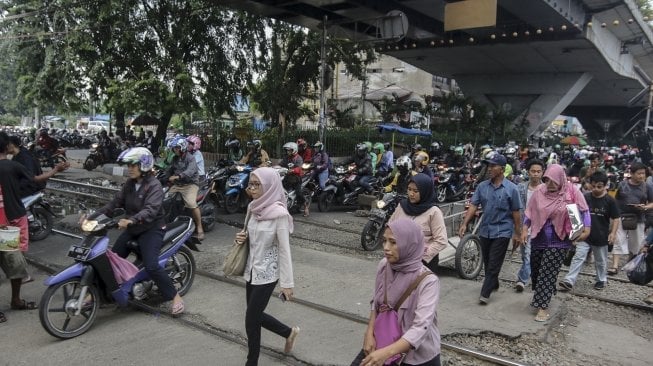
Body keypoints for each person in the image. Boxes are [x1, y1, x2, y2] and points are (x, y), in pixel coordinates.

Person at [86, 147, 184, 315]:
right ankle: (96, 294)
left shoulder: (154, 186)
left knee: (151, 265)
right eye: (128, 165)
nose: (129, 169)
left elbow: (150, 210)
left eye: (133, 165)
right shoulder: (130, 185)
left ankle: (175, 297)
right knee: (108, 261)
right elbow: (114, 203)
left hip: (152, 229)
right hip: (134, 228)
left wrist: (130, 220)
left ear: (144, 165)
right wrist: (92, 217)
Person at [233, 167, 298, 366]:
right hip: (251, 270)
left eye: (256, 184)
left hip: (268, 273)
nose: (251, 188)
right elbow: (249, 236)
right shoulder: (253, 207)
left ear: (269, 186)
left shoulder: (279, 214)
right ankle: (289, 332)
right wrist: (240, 237)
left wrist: (287, 283)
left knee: (251, 319)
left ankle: (251, 362)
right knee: (255, 315)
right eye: (250, 184)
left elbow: (285, 250)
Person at [353, 218, 440, 366]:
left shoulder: (428, 281)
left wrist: (386, 353)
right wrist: (369, 333)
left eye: (393, 242)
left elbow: (421, 327)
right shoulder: (383, 266)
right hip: (383, 342)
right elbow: (377, 303)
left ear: (409, 244)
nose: (386, 248)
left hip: (416, 357)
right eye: (384, 241)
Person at [521, 164, 590, 322]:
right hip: (539, 237)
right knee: (537, 270)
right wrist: (525, 229)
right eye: (547, 180)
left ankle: (542, 307)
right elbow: (530, 212)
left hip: (559, 239)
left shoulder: (571, 191)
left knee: (547, 271)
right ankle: (546, 290)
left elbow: (584, 210)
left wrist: (587, 228)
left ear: (560, 178)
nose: (550, 184)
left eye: (553, 180)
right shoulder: (539, 191)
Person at [458, 154, 522, 305]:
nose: (490, 169)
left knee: (494, 262)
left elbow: (516, 213)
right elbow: (474, 205)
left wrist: (517, 233)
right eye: (489, 166)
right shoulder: (482, 187)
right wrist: (465, 223)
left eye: (493, 166)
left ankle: (484, 293)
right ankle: (494, 283)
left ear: (502, 169)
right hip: (486, 229)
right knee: (487, 260)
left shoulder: (512, 189)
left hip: (503, 231)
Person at [0, 132, 48, 321]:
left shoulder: (12, 165)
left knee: (14, 262)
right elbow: (35, 179)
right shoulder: (13, 165)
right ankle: (16, 299)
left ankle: (16, 300)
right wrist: (56, 170)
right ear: (7, 147)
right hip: (7, 226)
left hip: (5, 224)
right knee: (15, 263)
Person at [559, 171, 619, 291]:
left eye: (599, 186)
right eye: (594, 186)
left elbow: (616, 218)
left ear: (605, 186)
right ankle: (569, 280)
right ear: (590, 184)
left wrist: (612, 233)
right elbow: (575, 213)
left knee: (600, 260)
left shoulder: (610, 201)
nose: (596, 189)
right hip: (584, 235)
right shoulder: (585, 197)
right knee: (578, 257)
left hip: (601, 235)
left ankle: (601, 279)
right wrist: (575, 232)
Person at [389, 173, 448, 273]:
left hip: (422, 264)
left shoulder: (433, 212)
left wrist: (421, 255)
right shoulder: (402, 206)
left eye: (416, 191)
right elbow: (390, 228)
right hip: (399, 259)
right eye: (409, 189)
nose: (411, 194)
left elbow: (441, 240)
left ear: (425, 191)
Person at [611, 162, 653, 275]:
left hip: (639, 217)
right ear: (632, 174)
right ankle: (614, 266)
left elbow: (652, 202)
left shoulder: (646, 186)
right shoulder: (622, 185)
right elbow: (615, 199)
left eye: (643, 174)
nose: (641, 176)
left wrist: (645, 207)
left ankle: (631, 262)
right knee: (619, 240)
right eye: (639, 174)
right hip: (622, 216)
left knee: (637, 242)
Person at [514, 159, 545, 292]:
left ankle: (522, 280)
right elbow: (516, 208)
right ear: (528, 172)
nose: (535, 174)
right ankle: (532, 274)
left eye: (538, 171)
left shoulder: (546, 189)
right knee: (525, 254)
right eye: (533, 171)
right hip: (523, 226)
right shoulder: (521, 187)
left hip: (538, 227)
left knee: (528, 254)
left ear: (542, 173)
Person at [165, 136, 204, 240]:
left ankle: (200, 228)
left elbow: (190, 171)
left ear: (182, 147)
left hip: (190, 185)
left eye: (177, 148)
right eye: (174, 148)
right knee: (164, 199)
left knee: (191, 204)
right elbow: (169, 169)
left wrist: (178, 176)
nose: (175, 150)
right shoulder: (175, 158)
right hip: (178, 185)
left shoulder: (190, 158)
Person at [280, 142, 306, 215]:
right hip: (287, 177)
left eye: (289, 150)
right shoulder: (286, 158)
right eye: (287, 150)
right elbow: (280, 164)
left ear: (294, 150)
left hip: (296, 178)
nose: (288, 152)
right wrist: (274, 167)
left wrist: (293, 170)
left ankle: (305, 207)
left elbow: (300, 168)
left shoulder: (298, 158)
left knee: (299, 193)